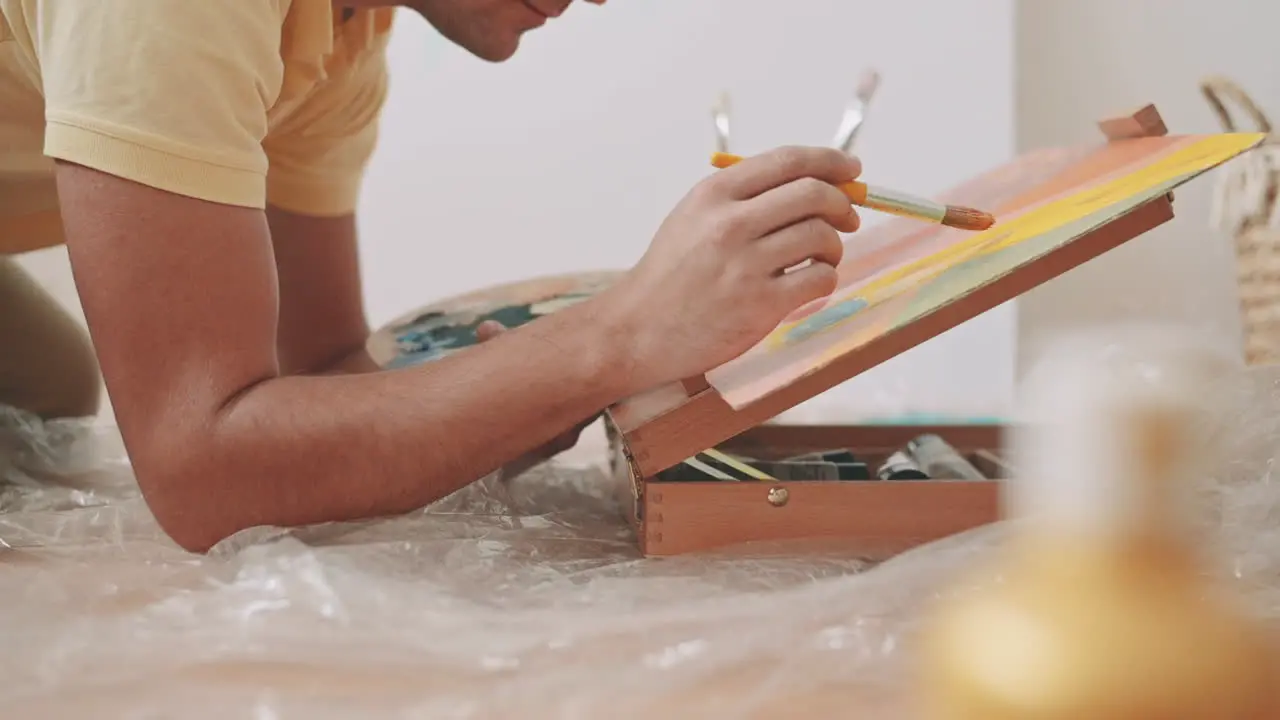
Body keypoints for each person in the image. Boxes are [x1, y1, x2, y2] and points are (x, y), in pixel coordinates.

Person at [0, 0, 862, 552]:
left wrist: (518, 389)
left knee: (48, 388)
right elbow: (202, 471)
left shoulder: (339, 41)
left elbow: (320, 375)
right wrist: (612, 338)